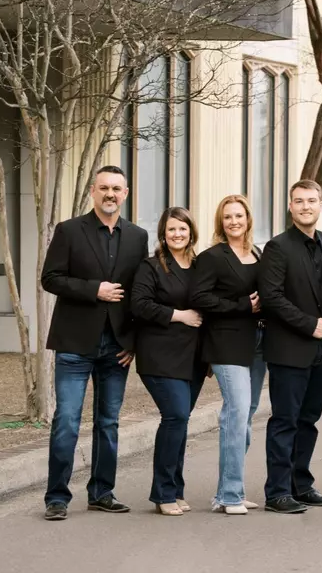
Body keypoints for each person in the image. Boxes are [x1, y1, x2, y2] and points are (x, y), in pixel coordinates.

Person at [41, 165, 149, 521]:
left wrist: (132, 340)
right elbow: (51, 278)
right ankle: (57, 497)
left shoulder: (137, 236)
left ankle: (102, 492)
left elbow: (138, 293)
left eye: (117, 189)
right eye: (104, 188)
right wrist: (94, 290)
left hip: (116, 346)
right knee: (68, 421)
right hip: (74, 343)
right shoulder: (70, 230)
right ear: (93, 191)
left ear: (126, 193)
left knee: (108, 422)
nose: (110, 194)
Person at [258, 180, 322, 514]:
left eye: (312, 200)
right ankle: (277, 491)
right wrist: (311, 325)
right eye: (299, 201)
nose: (306, 206)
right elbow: (271, 298)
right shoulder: (277, 248)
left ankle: (301, 484)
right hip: (290, 349)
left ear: (321, 205)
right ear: (290, 207)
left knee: (309, 419)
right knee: (285, 420)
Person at [191, 195, 267, 515]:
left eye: (239, 215)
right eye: (227, 217)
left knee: (245, 418)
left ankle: (228, 489)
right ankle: (230, 494)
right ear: (220, 223)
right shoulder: (212, 257)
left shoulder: (259, 253)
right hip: (225, 343)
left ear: (248, 218)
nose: (234, 221)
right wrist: (242, 306)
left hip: (259, 343)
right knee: (235, 413)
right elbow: (200, 298)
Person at [130, 207, 206, 516]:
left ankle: (176, 488)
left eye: (183, 229)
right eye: (172, 229)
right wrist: (180, 315)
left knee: (181, 423)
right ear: (163, 233)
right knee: (175, 416)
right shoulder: (151, 267)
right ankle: (162, 493)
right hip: (160, 355)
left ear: (191, 232)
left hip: (195, 358)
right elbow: (139, 304)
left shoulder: (202, 266)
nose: (177, 234)